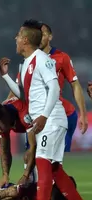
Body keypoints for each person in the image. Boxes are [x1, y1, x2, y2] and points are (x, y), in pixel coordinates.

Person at [0, 19, 90, 200]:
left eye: (17, 36)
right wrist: (5, 77)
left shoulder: (42, 59)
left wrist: (44, 116)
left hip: (52, 119)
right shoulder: (25, 64)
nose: (15, 39)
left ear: (24, 40)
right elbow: (22, 94)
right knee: (55, 169)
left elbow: (55, 88)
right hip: (44, 121)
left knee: (42, 162)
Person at [7, 22, 88, 152]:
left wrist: (83, 114)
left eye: (43, 34)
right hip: (35, 115)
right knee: (33, 157)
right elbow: (17, 88)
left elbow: (75, 85)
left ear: (50, 37)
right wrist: (4, 108)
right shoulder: (28, 60)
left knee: (55, 160)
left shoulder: (61, 57)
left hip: (61, 114)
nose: (40, 37)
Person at [0, 99, 37, 186]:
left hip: (51, 123)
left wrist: (25, 175)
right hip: (34, 130)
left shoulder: (23, 114)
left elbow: (33, 146)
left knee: (31, 157)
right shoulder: (3, 119)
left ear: (4, 116)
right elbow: (5, 150)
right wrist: (5, 175)